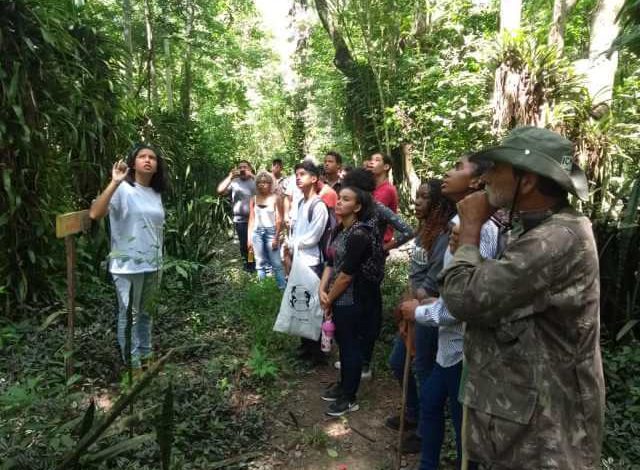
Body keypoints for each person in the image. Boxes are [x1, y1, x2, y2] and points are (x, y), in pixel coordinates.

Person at [438, 127, 604, 470]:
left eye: (496, 169)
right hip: (517, 428)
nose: (485, 178)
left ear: (526, 182)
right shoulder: (535, 229)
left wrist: (470, 232)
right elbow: (507, 299)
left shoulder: (556, 238)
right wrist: (472, 258)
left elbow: (465, 299)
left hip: (543, 441)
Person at [400, 154, 498, 470]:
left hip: (466, 350)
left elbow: (466, 302)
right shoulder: (457, 223)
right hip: (449, 345)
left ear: (477, 181)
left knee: (463, 424)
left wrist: (420, 313)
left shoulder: (480, 229)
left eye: (457, 167)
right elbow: (452, 291)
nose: (447, 171)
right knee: (429, 402)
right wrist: (428, 306)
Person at [387, 180, 455, 454]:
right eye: (417, 196)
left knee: (423, 369)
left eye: (425, 198)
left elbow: (433, 280)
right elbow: (415, 273)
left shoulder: (445, 235)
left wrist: (414, 308)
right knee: (397, 361)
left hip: (427, 310)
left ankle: (426, 434)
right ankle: (413, 413)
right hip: (413, 306)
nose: (417, 202)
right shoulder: (424, 229)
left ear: (438, 203)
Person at [89, 144, 167, 372]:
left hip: (154, 263)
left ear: (157, 166)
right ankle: (132, 365)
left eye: (152, 157)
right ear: (133, 163)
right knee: (130, 315)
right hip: (126, 265)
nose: (147, 160)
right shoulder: (122, 189)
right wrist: (114, 181)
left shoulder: (155, 192)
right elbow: (95, 213)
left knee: (146, 314)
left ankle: (146, 355)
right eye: (142, 156)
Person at [336, 168, 414, 378]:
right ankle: (352, 355)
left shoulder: (378, 208)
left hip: (370, 269)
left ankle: (364, 363)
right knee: (353, 312)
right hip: (352, 266)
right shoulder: (353, 208)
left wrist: (384, 248)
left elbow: (407, 230)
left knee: (369, 313)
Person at [319, 184, 384, 416]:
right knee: (343, 344)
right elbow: (330, 262)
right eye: (339, 198)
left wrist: (328, 300)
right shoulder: (338, 230)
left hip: (355, 300)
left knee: (351, 347)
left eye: (346, 200)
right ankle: (343, 385)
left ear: (357, 206)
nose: (339, 202)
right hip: (337, 297)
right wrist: (321, 289)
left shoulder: (359, 234)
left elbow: (346, 275)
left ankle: (349, 397)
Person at [288, 160, 329, 365]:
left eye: (302, 173)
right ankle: (305, 346)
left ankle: (317, 353)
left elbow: (312, 237)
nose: (298, 177)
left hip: (312, 262)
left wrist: (292, 243)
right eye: (296, 173)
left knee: (313, 307)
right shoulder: (301, 203)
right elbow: (296, 230)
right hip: (299, 260)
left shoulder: (318, 205)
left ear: (314, 178)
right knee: (301, 304)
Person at [247, 171, 286, 290]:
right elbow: (251, 219)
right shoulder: (253, 198)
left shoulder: (276, 198)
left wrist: (276, 237)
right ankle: (262, 290)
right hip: (257, 232)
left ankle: (282, 289)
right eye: (259, 182)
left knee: (277, 264)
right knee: (259, 263)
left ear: (270, 184)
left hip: (271, 232)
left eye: (265, 182)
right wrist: (249, 239)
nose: (262, 184)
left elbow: (279, 219)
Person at [217, 160, 256, 272]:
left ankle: (254, 264)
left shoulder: (256, 181)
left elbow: (270, 188)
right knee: (244, 244)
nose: (242, 169)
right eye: (240, 167)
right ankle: (248, 265)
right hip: (240, 219)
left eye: (245, 167)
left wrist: (252, 175)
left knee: (253, 243)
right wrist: (230, 176)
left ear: (250, 168)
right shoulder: (234, 182)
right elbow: (220, 191)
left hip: (255, 219)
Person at [367, 152, 398, 244]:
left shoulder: (387, 190)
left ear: (386, 167)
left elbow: (370, 213)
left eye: (377, 160)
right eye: (371, 160)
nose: (372, 162)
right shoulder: (371, 188)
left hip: (379, 241)